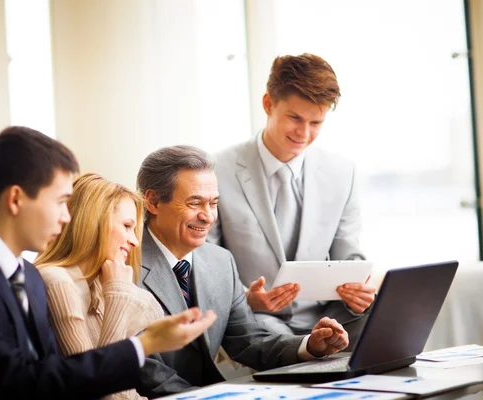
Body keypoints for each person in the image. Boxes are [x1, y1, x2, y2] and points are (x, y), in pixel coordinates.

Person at [0, 126, 216, 400]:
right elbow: (11, 384)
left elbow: (58, 378)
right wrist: (143, 345)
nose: (68, 217)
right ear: (16, 199)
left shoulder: (28, 277)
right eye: (61, 202)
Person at [134, 145, 349, 398]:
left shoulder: (220, 261)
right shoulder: (125, 265)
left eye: (213, 203)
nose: (208, 216)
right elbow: (141, 365)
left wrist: (309, 345)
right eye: (195, 203)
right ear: (153, 201)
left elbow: (247, 340)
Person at [206, 53, 376, 346]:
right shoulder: (216, 170)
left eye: (316, 122)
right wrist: (246, 298)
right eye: (295, 118)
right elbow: (205, 263)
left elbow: (348, 254)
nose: (304, 133)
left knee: (389, 327)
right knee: (271, 341)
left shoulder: (342, 172)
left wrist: (358, 292)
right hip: (258, 318)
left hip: (332, 313)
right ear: (268, 104)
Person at [35, 172, 164, 400]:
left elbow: (127, 391)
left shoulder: (96, 283)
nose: (134, 241)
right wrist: (117, 292)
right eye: (126, 226)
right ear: (93, 223)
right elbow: (102, 390)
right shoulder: (57, 282)